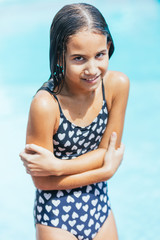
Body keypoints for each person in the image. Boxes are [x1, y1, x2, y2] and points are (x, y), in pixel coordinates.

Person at [19, 3, 129, 240]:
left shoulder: (116, 86)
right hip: (56, 215)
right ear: (61, 55)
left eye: (99, 55)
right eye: (79, 58)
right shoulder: (46, 105)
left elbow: (109, 149)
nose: (92, 69)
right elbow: (42, 181)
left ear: (108, 47)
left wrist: (59, 167)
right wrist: (105, 170)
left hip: (99, 205)